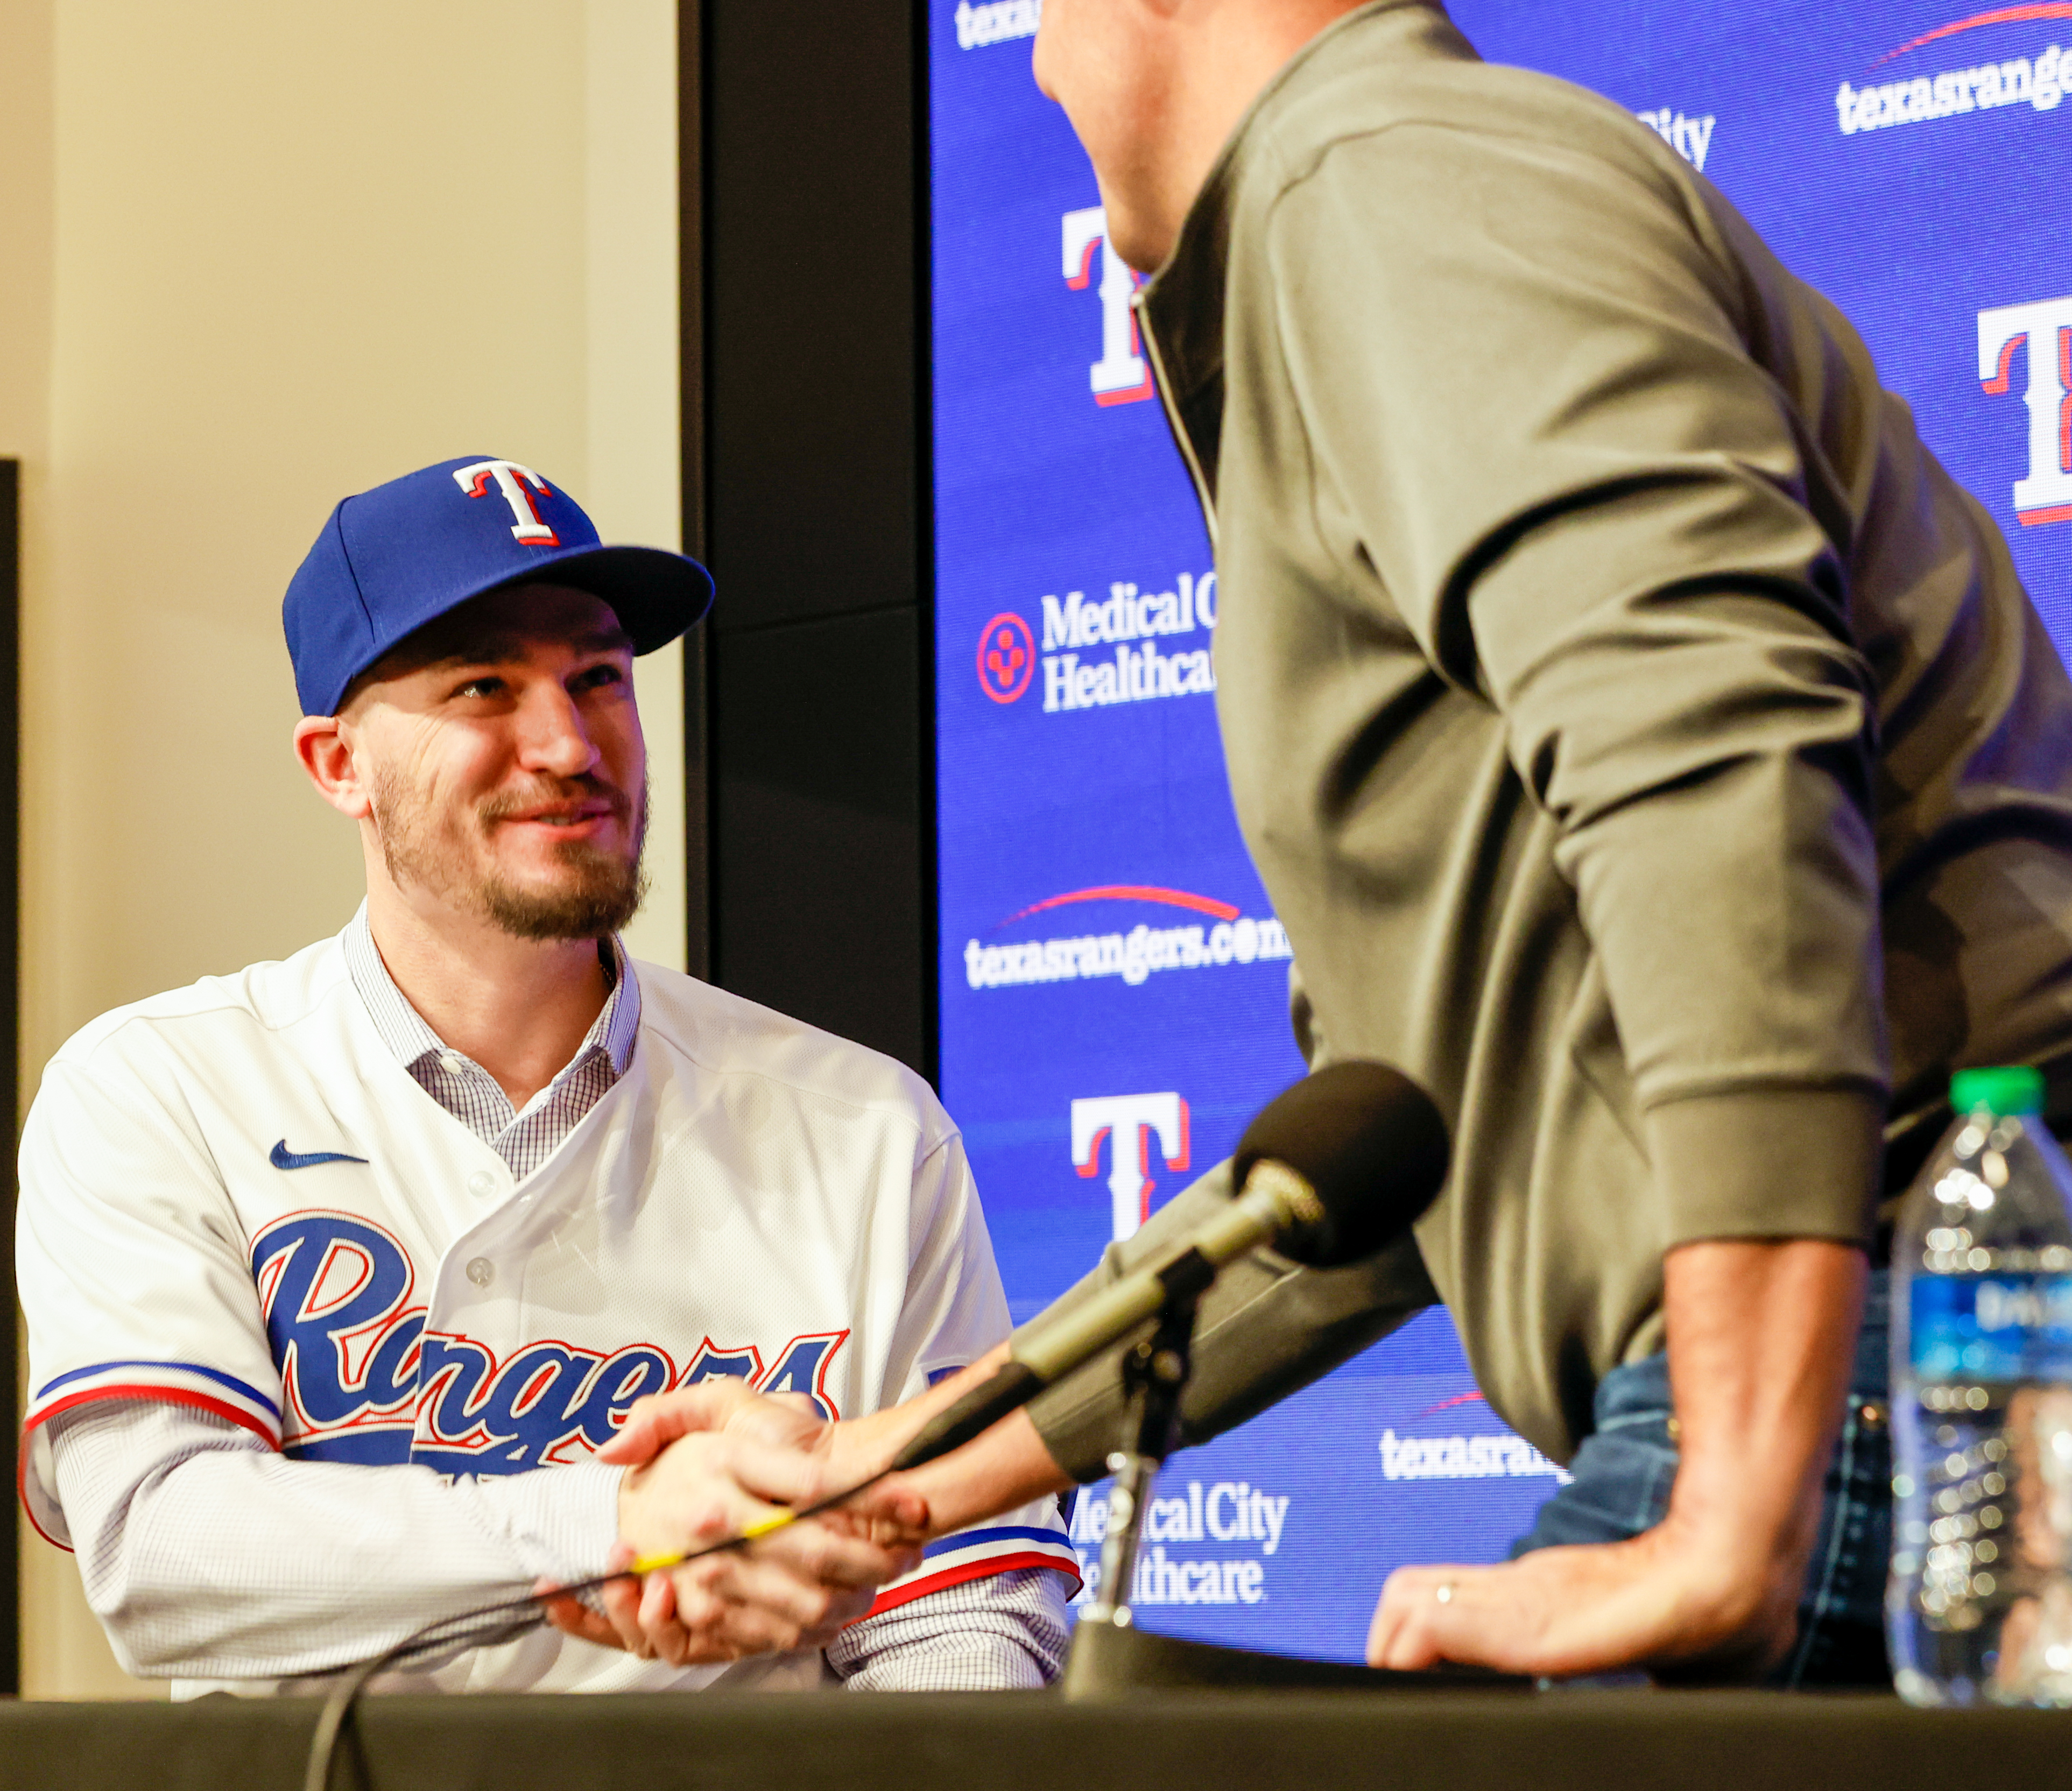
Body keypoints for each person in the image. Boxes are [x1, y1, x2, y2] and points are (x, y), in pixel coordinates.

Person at [560, 0, 2072, 1687]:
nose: (1041, 65)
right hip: (1870, 1366)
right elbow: (1368, 1168)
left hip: (1887, 1354)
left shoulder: (1379, 180)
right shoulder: (1354, 214)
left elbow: (1710, 740)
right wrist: (899, 1468)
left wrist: (1731, 1495)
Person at [14, 456, 1078, 1696]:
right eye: (484, 686)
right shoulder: (161, 1087)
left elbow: (958, 1613)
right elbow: (163, 1550)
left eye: (597, 678)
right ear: (336, 765)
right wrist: (616, 1521)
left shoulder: (862, 1123)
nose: (568, 742)